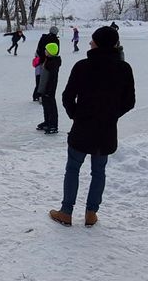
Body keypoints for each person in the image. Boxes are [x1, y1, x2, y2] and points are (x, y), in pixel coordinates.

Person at [49, 26, 135, 227]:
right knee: (99, 171)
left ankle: (66, 211)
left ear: (98, 43)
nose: (89, 43)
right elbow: (129, 102)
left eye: (93, 40)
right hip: (106, 130)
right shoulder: (124, 68)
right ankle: (91, 213)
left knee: (73, 168)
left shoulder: (83, 66)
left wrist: (76, 116)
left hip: (83, 127)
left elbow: (67, 96)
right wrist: (111, 115)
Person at [36, 42, 62, 134]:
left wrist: (48, 90)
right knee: (45, 106)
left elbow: (52, 79)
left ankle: (53, 125)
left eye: (46, 50)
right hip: (44, 88)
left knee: (51, 107)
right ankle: (47, 122)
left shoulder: (53, 63)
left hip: (49, 89)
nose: (44, 51)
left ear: (50, 52)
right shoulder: (48, 60)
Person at [33, 26, 60, 102]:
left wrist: (38, 56)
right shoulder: (55, 40)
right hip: (48, 60)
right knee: (47, 78)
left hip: (40, 60)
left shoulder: (43, 37)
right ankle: (42, 95)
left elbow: (38, 47)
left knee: (39, 77)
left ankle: (36, 95)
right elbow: (56, 51)